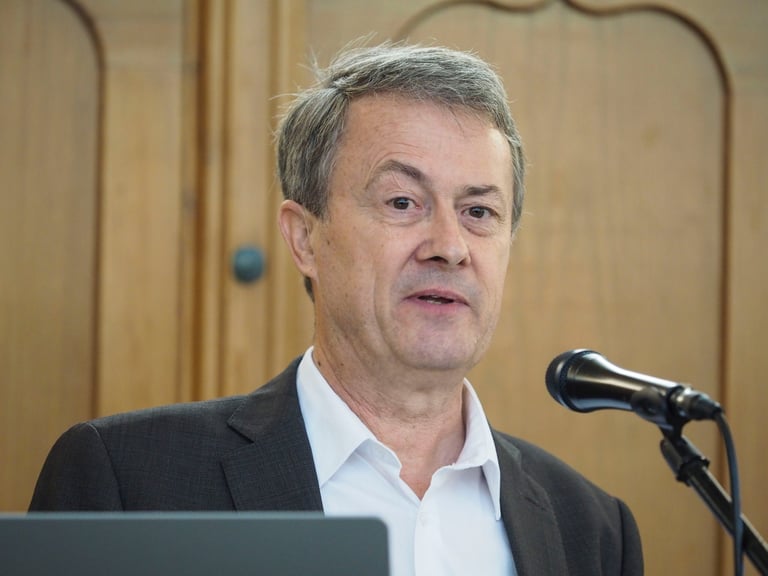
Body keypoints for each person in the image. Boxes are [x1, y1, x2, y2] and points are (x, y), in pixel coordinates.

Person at [30, 41, 643, 575]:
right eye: (403, 202)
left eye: (479, 212)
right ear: (305, 239)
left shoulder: (591, 529)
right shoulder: (130, 480)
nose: (450, 246)